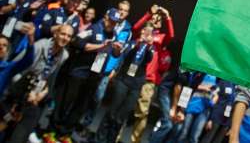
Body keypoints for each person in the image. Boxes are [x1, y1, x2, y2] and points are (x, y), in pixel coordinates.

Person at [50, 8, 123, 142]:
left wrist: (118, 51)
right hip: (80, 73)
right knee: (66, 101)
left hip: (95, 76)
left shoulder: (114, 34)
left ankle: (65, 132)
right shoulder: (94, 28)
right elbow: (77, 42)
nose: (112, 24)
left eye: (115, 22)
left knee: (81, 106)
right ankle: (53, 129)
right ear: (106, 17)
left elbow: (114, 54)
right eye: (111, 20)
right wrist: (100, 46)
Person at [6, 24, 73, 143]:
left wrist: (44, 91)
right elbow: (14, 70)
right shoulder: (39, 46)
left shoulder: (64, 55)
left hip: (34, 93)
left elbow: (47, 76)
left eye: (69, 36)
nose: (65, 38)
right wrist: (27, 92)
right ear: (55, 34)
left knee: (28, 123)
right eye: (63, 34)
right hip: (17, 86)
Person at [94, 22, 154, 143]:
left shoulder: (149, 48)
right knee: (112, 112)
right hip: (123, 80)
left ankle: (111, 140)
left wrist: (147, 46)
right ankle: (99, 140)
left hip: (136, 85)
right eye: (144, 30)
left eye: (148, 32)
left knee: (121, 117)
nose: (145, 33)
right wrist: (137, 44)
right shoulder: (131, 43)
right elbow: (124, 55)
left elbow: (148, 59)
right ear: (141, 31)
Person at [129, 5, 174, 143]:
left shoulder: (160, 38)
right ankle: (116, 136)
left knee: (142, 112)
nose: (155, 21)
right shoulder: (143, 33)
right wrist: (149, 13)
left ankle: (134, 140)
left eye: (158, 20)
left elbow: (171, 35)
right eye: (154, 18)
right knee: (127, 107)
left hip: (149, 80)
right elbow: (135, 28)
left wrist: (168, 17)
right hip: (133, 75)